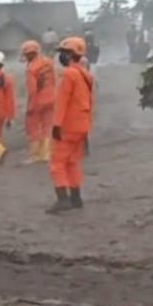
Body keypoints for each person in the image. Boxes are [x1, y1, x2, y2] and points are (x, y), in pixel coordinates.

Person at [47, 37, 94, 214]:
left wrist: (56, 125)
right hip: (82, 126)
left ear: (70, 55)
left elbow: (62, 102)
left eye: (64, 53)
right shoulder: (86, 75)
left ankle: (63, 199)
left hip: (68, 126)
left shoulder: (69, 75)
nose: (61, 56)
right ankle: (76, 198)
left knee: (57, 163)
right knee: (73, 162)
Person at [20, 40, 56, 164]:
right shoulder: (49, 62)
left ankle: (35, 155)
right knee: (47, 126)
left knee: (34, 127)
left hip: (38, 100)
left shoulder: (31, 68)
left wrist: (31, 106)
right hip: (52, 97)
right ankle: (46, 154)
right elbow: (54, 80)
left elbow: (32, 89)